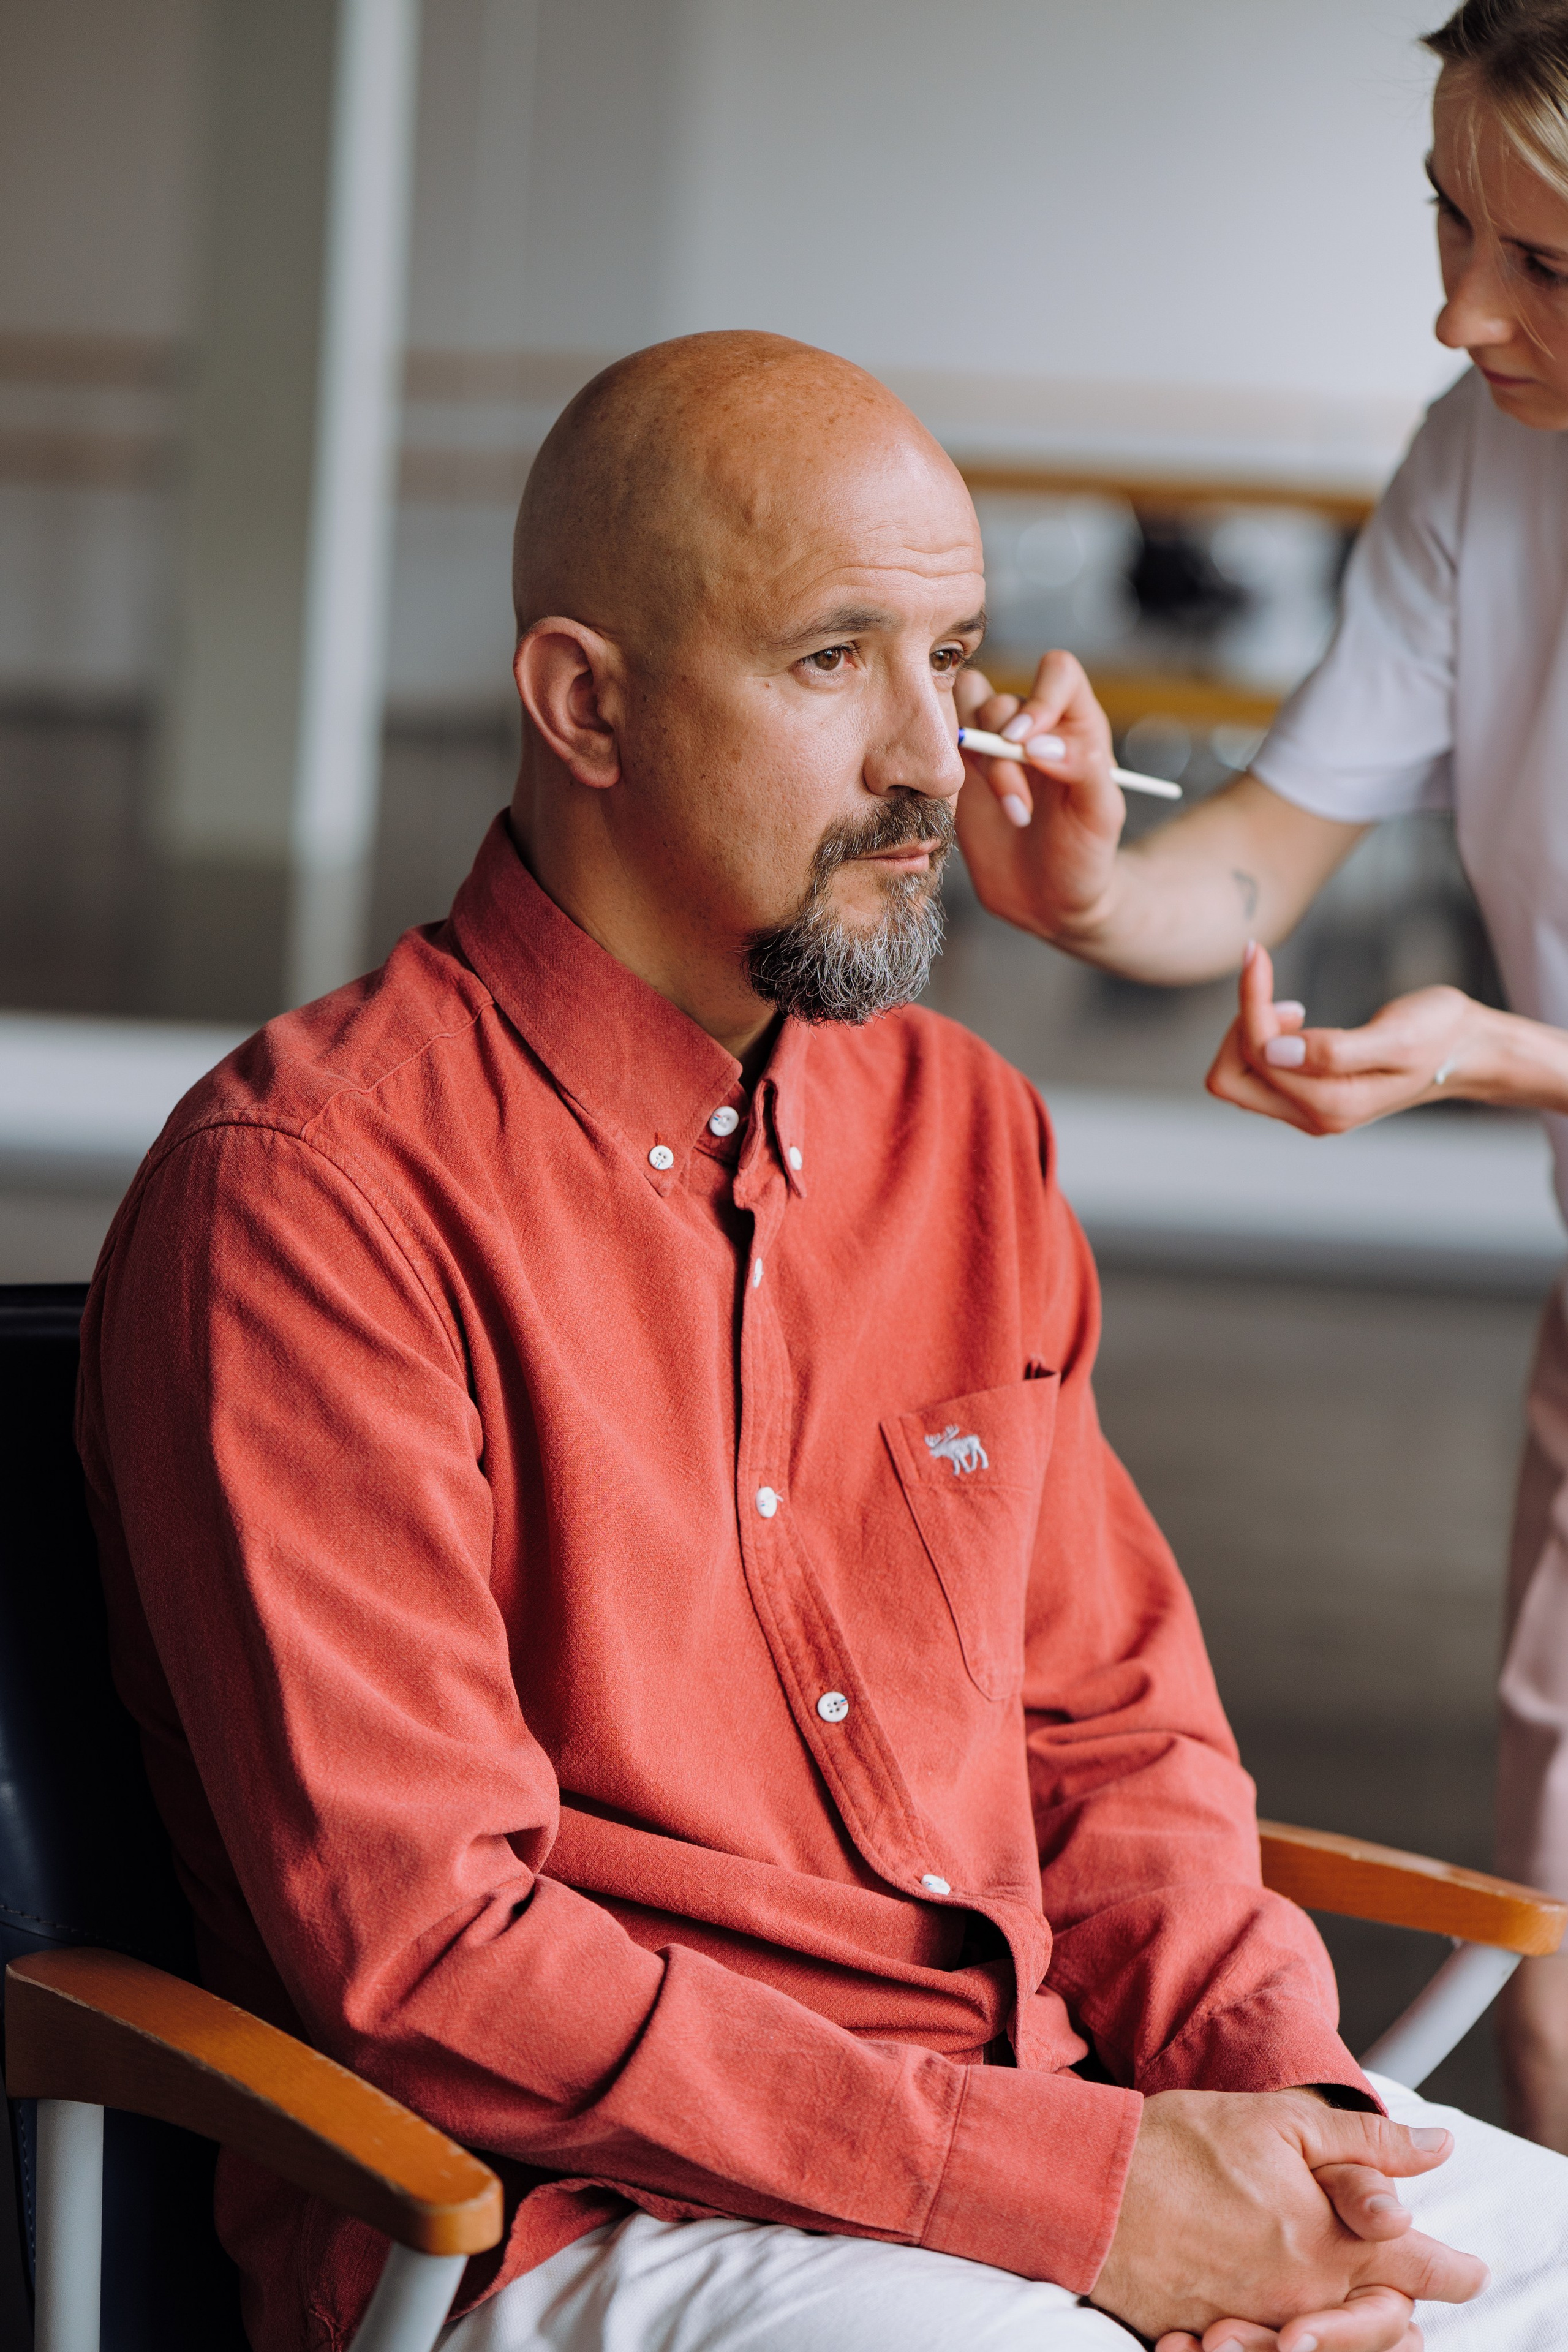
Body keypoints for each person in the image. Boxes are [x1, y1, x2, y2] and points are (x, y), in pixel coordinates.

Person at [77, 331, 1561, 2352]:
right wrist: (1085, 2208)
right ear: (586, 705)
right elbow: (434, 1947)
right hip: (587, 2215)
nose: (934, 761)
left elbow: (1113, 1743)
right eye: (829, 661)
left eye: (951, 661)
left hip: (1062, 2130)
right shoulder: (310, 1192)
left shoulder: (966, 1135)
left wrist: (1285, 2121)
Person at [954, 0, 1568, 2160]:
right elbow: (1255, 857)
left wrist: (1511, 1054)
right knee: (1559, 1989)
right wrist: (1090, 893)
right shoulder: (1483, 451)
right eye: (1445, 217)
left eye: (1545, 265)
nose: (1459, 305)